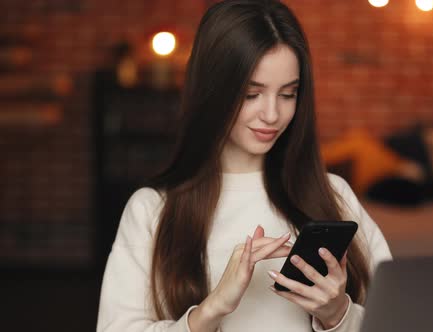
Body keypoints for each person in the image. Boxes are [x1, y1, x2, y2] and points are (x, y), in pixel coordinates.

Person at [96, 1, 392, 331]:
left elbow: (402, 319)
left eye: (288, 94)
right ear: (212, 90)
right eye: (252, 94)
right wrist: (210, 311)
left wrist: (338, 314)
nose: (272, 115)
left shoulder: (333, 194)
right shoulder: (153, 209)